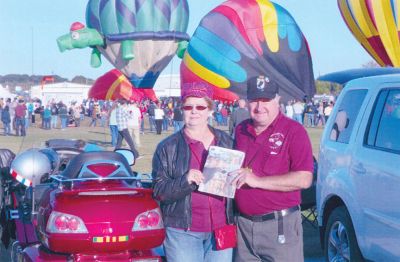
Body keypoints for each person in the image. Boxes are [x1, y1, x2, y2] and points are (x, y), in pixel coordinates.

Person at [231, 75, 314, 262]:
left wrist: (257, 181)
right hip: (242, 227)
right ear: (247, 102)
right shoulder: (241, 130)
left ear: (277, 100)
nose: (260, 107)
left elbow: (304, 179)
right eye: (255, 100)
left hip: (279, 226)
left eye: (266, 100)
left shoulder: (294, 131)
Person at [152, 82, 234, 262]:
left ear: (210, 110)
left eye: (200, 106)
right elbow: (158, 190)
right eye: (189, 106)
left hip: (221, 228)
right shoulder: (167, 147)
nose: (194, 111)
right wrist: (185, 180)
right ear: (182, 110)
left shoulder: (227, 142)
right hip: (183, 232)